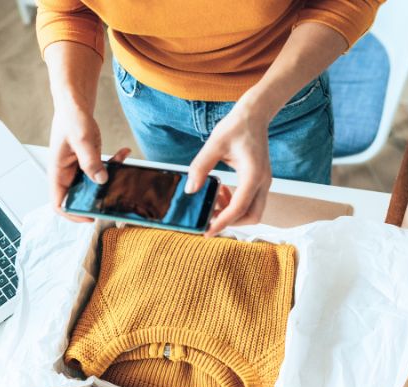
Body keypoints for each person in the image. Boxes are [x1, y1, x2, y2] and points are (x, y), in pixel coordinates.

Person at [36, 0, 383, 236]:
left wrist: (258, 107)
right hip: (147, 97)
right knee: (186, 219)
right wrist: (70, 105)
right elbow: (67, 9)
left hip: (280, 95)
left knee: (294, 234)